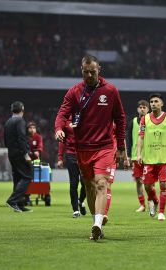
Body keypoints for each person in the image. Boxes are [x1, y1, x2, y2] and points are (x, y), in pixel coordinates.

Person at [55, 54, 126, 241]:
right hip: (82, 148)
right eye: (86, 72)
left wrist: (120, 147)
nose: (89, 76)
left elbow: (120, 119)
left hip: (104, 146)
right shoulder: (74, 92)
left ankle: (97, 223)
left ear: (99, 70)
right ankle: (97, 223)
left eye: (92, 72)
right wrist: (58, 128)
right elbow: (62, 113)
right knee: (89, 187)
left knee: (101, 182)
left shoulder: (110, 91)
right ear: (81, 71)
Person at [136, 93, 166, 221]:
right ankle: (155, 201)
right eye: (151, 102)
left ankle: (162, 212)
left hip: (164, 158)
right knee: (147, 186)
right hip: (149, 159)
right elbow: (140, 137)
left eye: (156, 101)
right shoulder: (144, 119)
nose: (153, 104)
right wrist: (138, 154)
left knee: (163, 184)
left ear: (161, 104)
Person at [4, 101, 33, 213]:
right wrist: (26, 154)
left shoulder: (8, 121)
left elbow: (5, 141)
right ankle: (13, 200)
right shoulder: (20, 121)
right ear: (22, 109)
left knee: (17, 178)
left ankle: (19, 204)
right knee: (28, 176)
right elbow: (21, 137)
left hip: (11, 153)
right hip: (20, 154)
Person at [57, 116, 87, 218]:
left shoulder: (85, 116)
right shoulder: (66, 120)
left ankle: (80, 200)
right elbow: (62, 140)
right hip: (71, 155)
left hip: (84, 154)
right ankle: (75, 210)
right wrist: (60, 158)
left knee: (86, 183)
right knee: (73, 183)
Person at [125, 100, 149, 212]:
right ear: (137, 109)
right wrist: (128, 155)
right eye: (140, 107)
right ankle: (142, 204)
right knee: (138, 181)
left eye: (144, 107)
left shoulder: (151, 121)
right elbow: (129, 140)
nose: (142, 109)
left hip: (149, 156)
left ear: (148, 109)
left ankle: (151, 202)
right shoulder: (133, 122)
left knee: (149, 182)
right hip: (136, 156)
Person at [25, 121, 44, 206]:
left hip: (36, 160)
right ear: (27, 129)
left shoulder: (38, 137)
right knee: (27, 179)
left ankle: (42, 192)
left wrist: (38, 151)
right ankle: (26, 196)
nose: (32, 130)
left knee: (38, 178)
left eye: (33, 128)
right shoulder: (25, 138)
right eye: (30, 128)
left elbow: (40, 146)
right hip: (26, 161)